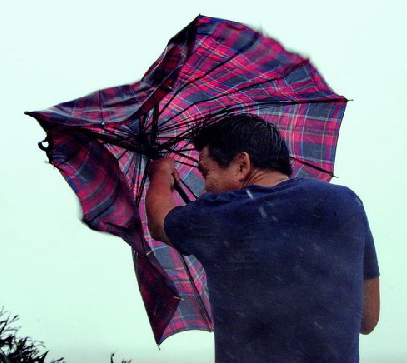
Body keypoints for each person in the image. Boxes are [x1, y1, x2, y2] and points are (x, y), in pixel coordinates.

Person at [145, 113, 379, 363]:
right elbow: (367, 318)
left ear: (242, 165)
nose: (205, 189)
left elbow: (160, 223)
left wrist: (160, 172)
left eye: (206, 173)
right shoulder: (346, 202)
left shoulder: (222, 212)